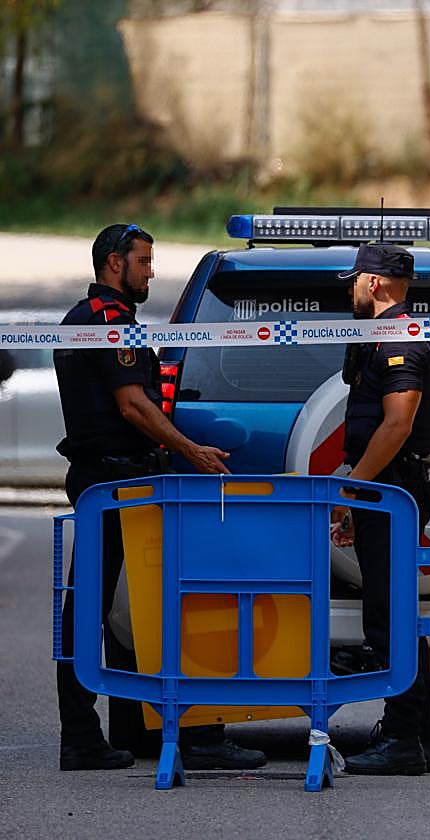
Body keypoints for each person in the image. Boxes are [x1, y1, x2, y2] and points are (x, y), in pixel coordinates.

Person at [54, 223, 265, 772]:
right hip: (120, 484)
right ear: (114, 262)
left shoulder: (85, 318)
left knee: (106, 609)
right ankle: (188, 735)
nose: (151, 271)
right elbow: (132, 405)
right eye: (143, 261)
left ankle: (108, 731)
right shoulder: (109, 322)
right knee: (159, 603)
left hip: (107, 482)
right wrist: (191, 450)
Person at [330, 242, 430, 776]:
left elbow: (397, 425)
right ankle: (418, 736)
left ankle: (402, 740)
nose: (350, 290)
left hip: (392, 491)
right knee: (395, 612)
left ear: (373, 283)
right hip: (385, 489)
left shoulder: (400, 338)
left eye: (354, 280)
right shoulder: (380, 334)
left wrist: (353, 490)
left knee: (389, 618)